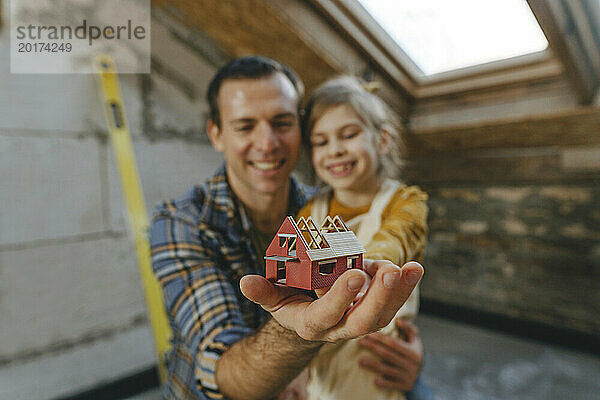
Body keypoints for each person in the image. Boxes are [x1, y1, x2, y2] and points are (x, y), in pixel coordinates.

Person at [149, 56, 424, 400]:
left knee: (415, 387)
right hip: (232, 389)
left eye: (282, 123)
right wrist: (302, 333)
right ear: (217, 135)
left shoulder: (321, 207)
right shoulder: (182, 223)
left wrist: (401, 345)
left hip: (340, 369)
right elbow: (222, 371)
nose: (267, 143)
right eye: (245, 126)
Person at [296, 76, 432, 400]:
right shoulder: (307, 212)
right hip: (320, 360)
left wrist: (365, 264)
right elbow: (295, 287)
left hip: (377, 358)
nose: (336, 150)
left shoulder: (405, 201)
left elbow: (397, 238)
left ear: (382, 140)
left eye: (349, 134)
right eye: (321, 141)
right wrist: (295, 369)